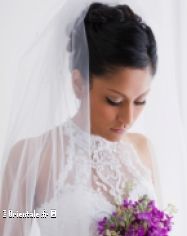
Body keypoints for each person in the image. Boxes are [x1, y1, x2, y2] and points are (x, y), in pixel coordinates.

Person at [0, 1, 162, 235]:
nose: (128, 118)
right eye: (114, 101)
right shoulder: (32, 157)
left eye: (140, 101)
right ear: (78, 84)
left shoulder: (142, 150)